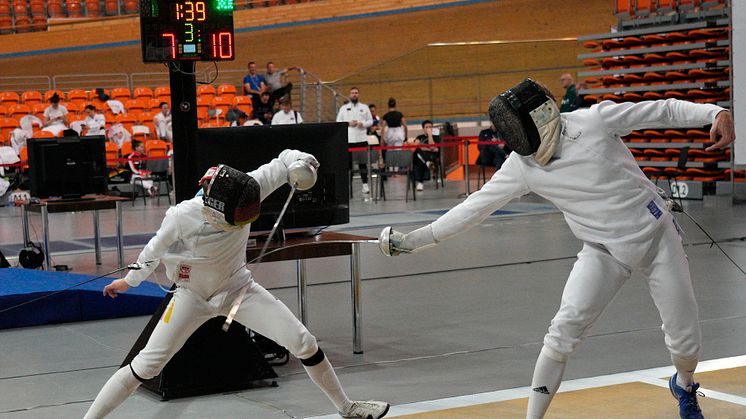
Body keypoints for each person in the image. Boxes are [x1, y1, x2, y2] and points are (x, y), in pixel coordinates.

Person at [379, 79, 735, 419]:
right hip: (602, 251)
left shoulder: (593, 121)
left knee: (685, 342)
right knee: (562, 332)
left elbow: (660, 110)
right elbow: (471, 210)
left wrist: (712, 113)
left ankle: (684, 385)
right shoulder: (522, 166)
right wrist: (410, 242)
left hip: (657, 237)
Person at [83, 151, 389, 419]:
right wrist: (129, 280)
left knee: (304, 342)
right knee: (145, 367)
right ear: (214, 209)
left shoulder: (249, 187)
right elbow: (153, 251)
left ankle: (347, 408)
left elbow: (286, 158)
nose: (245, 222)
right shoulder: (181, 216)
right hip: (191, 296)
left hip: (239, 290)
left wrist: (303, 162)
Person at [337, 87, 373, 194]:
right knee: (348, 164)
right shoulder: (343, 108)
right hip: (349, 140)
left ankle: (365, 185)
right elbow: (338, 121)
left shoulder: (365, 107)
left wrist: (363, 124)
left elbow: (370, 121)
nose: (354, 95)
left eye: (356, 93)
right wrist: (348, 123)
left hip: (361, 138)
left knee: (363, 163)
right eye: (352, 93)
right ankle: (348, 186)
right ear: (349, 95)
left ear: (359, 94)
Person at [411, 120, 440, 192]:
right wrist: (428, 148)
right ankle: (427, 163)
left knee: (421, 160)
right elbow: (416, 146)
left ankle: (420, 183)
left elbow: (433, 148)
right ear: (423, 128)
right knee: (418, 151)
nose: (428, 129)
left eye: (430, 127)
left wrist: (430, 135)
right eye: (427, 127)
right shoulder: (419, 137)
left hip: (431, 157)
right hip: (418, 156)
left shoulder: (436, 137)